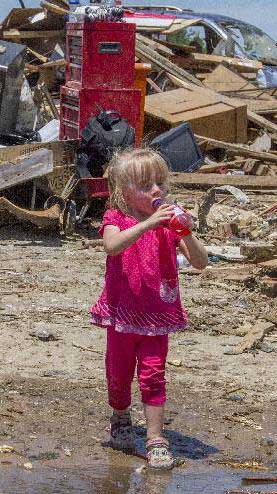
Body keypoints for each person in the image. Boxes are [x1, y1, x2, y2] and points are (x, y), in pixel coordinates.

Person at [90, 148, 207, 470]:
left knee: (154, 375)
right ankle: (120, 415)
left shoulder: (170, 223)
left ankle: (156, 438)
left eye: (160, 183)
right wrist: (148, 224)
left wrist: (187, 233)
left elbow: (200, 263)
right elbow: (112, 246)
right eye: (145, 185)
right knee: (118, 372)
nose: (156, 191)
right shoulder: (117, 219)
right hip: (123, 314)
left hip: (158, 314)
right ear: (123, 193)